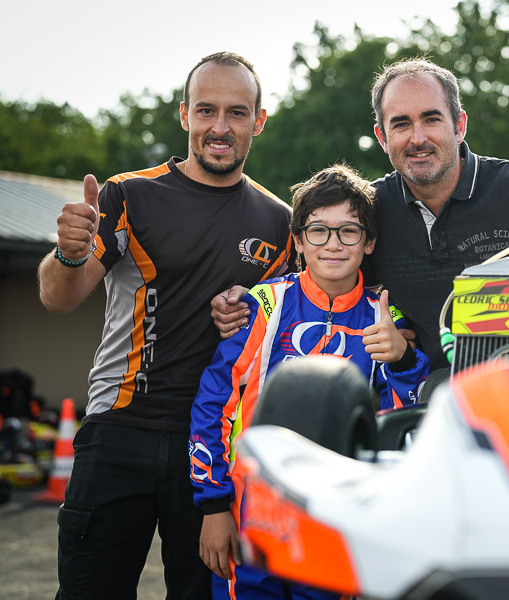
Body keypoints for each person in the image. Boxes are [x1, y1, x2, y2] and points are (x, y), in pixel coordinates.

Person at [37, 51, 294, 600]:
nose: (219, 128)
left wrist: (249, 310)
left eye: (236, 112)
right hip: (117, 432)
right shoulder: (128, 194)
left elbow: (284, 325)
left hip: (213, 451)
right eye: (206, 111)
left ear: (259, 120)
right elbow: (60, 298)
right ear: (184, 115)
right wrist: (68, 253)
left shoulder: (280, 222)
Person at [213, 57, 509, 374]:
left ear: (459, 125)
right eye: (401, 124)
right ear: (382, 137)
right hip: (426, 394)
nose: (418, 138)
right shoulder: (369, 210)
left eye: (431, 119)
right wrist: (246, 299)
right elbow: (316, 276)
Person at [190, 164, 428, 599]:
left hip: (341, 522)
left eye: (349, 231)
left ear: (369, 242)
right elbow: (214, 404)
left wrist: (404, 357)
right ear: (298, 241)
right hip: (253, 518)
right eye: (318, 230)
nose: (333, 244)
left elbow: (406, 421)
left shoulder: (388, 315)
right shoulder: (263, 304)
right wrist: (213, 505)